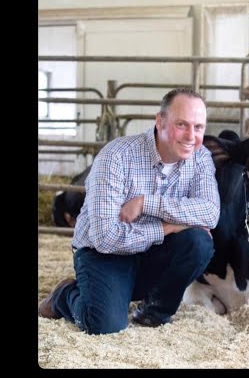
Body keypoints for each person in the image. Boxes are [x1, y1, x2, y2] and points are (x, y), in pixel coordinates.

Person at [37, 88, 219, 334]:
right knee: (104, 326)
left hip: (152, 253)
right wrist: (169, 227)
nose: (191, 136)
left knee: (199, 242)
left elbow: (210, 213)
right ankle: (64, 296)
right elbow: (105, 238)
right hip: (104, 255)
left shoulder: (200, 158)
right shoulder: (117, 156)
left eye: (198, 127)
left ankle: (154, 312)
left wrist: (146, 203)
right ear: (160, 121)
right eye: (182, 124)